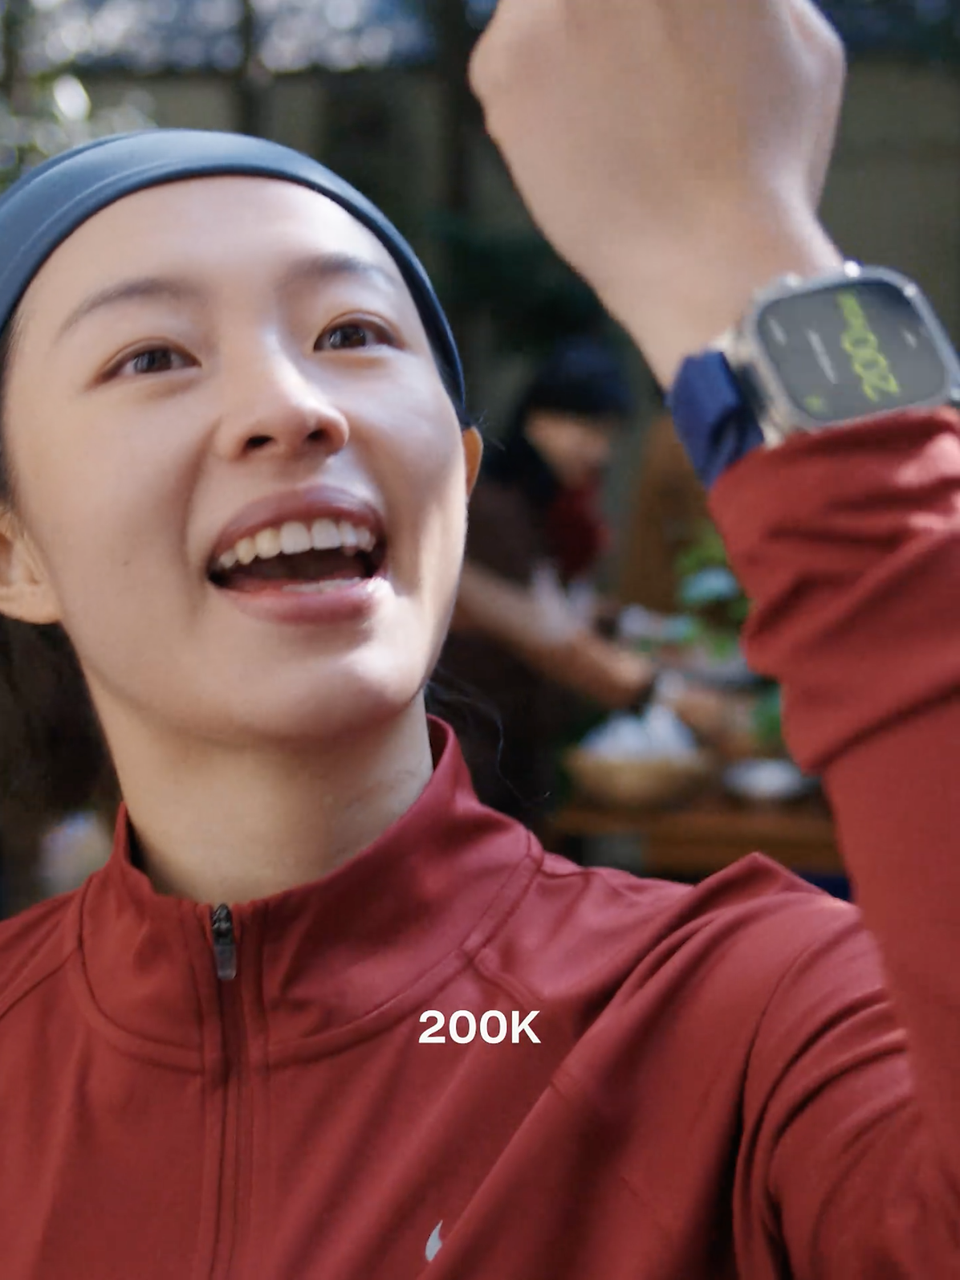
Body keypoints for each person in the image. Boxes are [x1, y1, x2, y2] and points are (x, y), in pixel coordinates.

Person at [0, 7, 957, 1280]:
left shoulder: (739, 1015)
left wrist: (742, 253)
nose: (293, 404)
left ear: (455, 478)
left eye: (352, 333)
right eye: (153, 354)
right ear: (13, 550)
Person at [440, 336, 654, 825]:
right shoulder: (493, 509)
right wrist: (655, 688)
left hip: (513, 756)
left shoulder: (539, 505)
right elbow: (551, 636)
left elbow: (559, 607)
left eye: (609, 436)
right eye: (588, 428)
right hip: (478, 762)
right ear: (539, 418)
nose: (601, 452)